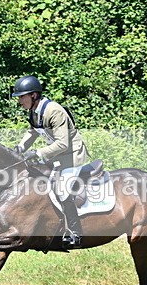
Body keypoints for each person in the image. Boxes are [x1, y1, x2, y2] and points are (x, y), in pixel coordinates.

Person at [11, 75, 89, 248]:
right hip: (58, 156)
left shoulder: (54, 111)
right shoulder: (34, 110)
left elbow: (62, 143)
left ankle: (76, 234)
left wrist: (38, 152)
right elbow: (33, 131)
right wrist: (20, 147)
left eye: (22, 96)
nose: (19, 101)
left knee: (62, 191)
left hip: (72, 156)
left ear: (33, 95)